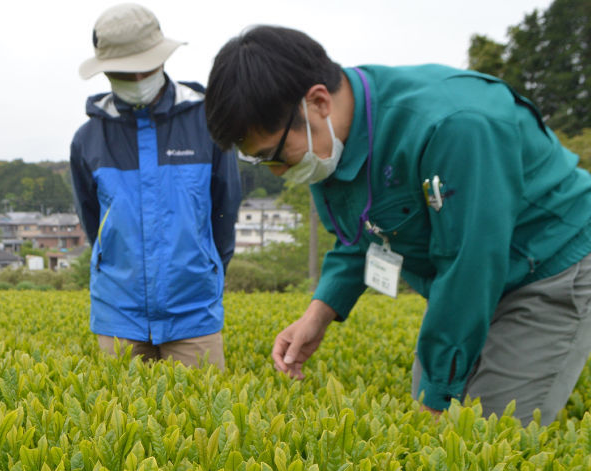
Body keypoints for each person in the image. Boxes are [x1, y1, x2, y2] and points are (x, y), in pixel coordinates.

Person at [204, 25, 591, 424]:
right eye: (263, 162)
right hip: (467, 272)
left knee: (485, 434)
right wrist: (316, 315)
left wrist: (437, 397)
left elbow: (470, 266)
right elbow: (362, 235)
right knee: (436, 422)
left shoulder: (453, 126)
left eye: (277, 154)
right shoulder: (334, 136)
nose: (280, 171)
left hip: (548, 265)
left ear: (317, 101)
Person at [70, 3, 241, 371]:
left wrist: (206, 267)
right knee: (119, 423)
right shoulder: (88, 139)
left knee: (204, 421)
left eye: (141, 69)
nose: (134, 81)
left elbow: (224, 211)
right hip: (118, 314)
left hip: (193, 311)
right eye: (121, 72)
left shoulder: (207, 123)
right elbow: (92, 219)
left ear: (161, 59)